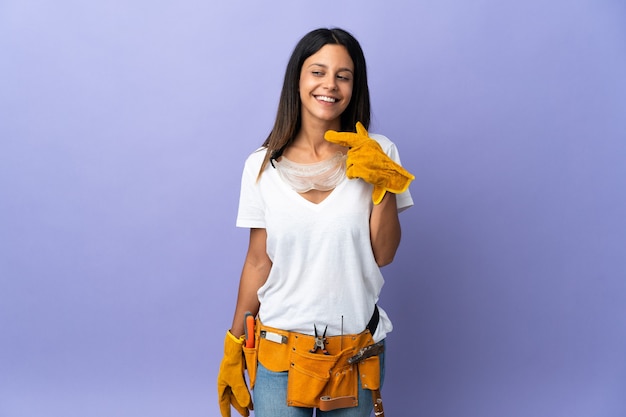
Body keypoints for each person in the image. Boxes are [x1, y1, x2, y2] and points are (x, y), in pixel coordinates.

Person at [217, 27, 414, 417]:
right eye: (318, 71)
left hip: (356, 353)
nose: (330, 85)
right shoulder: (260, 166)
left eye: (343, 75)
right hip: (278, 352)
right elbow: (259, 260)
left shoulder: (378, 153)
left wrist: (383, 185)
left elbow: (385, 253)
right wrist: (235, 342)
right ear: (298, 79)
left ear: (354, 87)